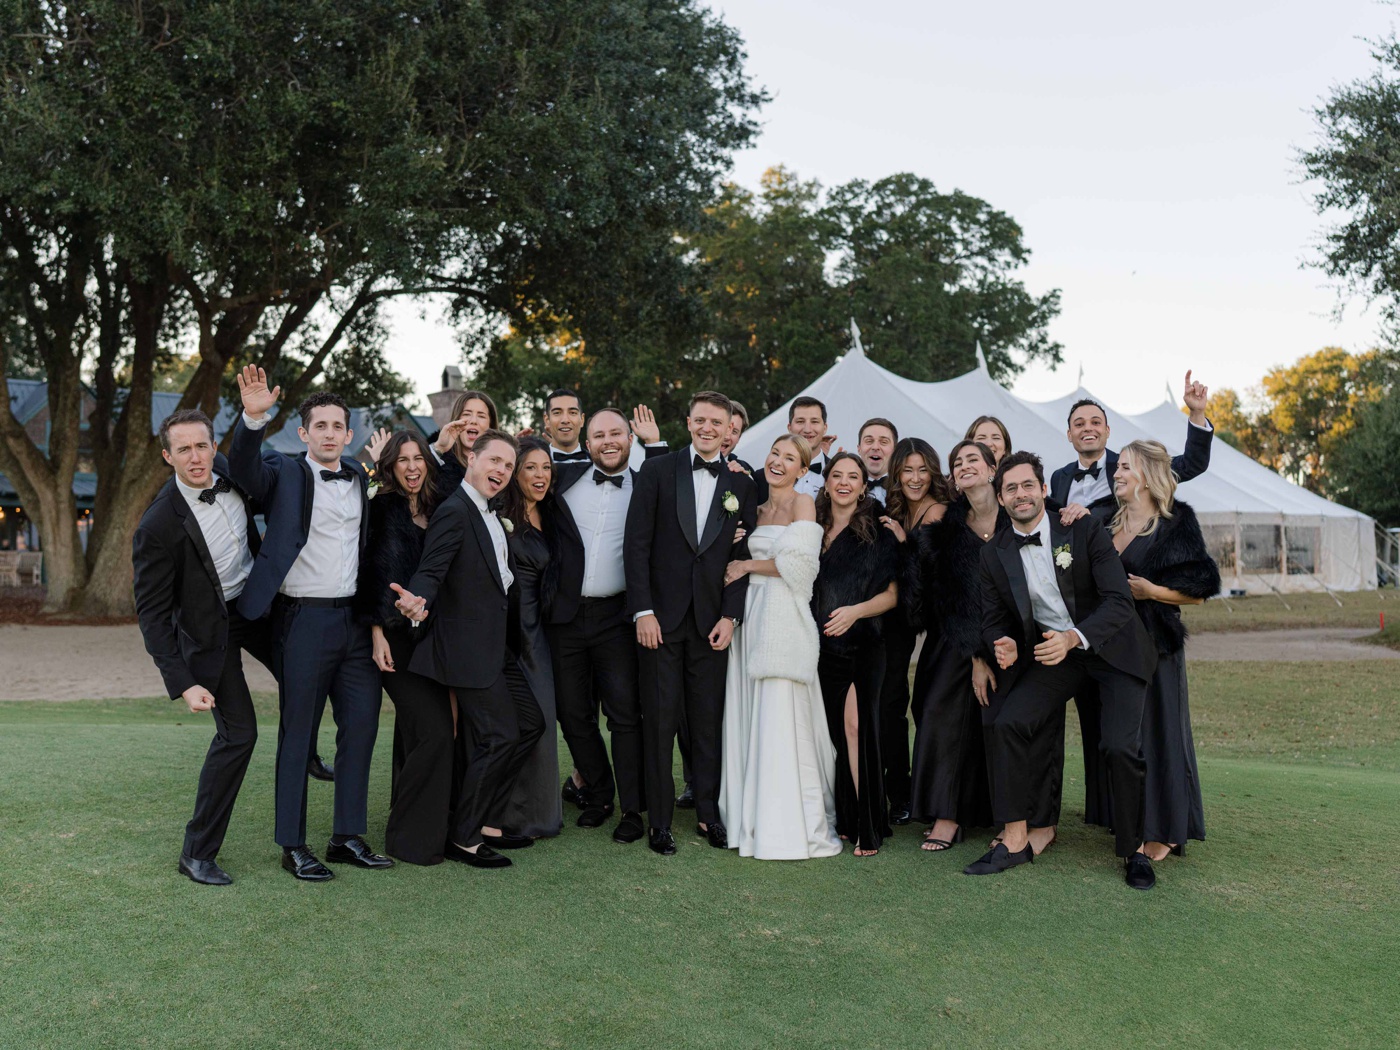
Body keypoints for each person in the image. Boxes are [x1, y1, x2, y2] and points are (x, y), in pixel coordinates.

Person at [964, 451, 1159, 889]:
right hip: (1058, 655)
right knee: (1009, 722)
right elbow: (994, 617)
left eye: (1027, 485)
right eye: (1011, 488)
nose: (1020, 495)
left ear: (1044, 489)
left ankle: (1135, 850)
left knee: (1118, 748)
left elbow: (1119, 601)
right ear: (1001, 496)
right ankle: (1014, 840)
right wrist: (1006, 641)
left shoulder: (1081, 527)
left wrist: (1074, 637)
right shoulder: (993, 553)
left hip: (1113, 649)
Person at [229, 366, 392, 881]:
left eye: (336, 426)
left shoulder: (360, 480)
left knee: (362, 725)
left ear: (349, 434)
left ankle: (346, 835)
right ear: (304, 433)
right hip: (301, 621)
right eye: (318, 425)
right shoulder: (284, 471)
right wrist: (253, 421)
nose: (327, 433)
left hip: (353, 621)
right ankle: (292, 844)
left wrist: (376, 622)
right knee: (298, 733)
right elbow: (243, 470)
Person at [392, 430, 546, 870]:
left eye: (507, 465)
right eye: (494, 460)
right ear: (472, 459)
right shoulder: (455, 511)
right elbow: (431, 570)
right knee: (500, 736)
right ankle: (464, 835)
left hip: (496, 647)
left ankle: (486, 821)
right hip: (465, 650)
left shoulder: (489, 511)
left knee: (530, 724)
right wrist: (416, 601)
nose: (501, 470)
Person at [133, 409, 271, 886]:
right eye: (184, 449)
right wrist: (184, 682)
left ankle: (310, 756)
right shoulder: (157, 526)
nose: (196, 457)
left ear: (215, 447)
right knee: (239, 735)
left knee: (313, 670)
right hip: (209, 633)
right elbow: (151, 616)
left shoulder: (233, 474)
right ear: (168, 456)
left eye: (202, 445)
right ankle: (196, 853)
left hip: (254, 608)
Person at [625, 390, 758, 855]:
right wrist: (642, 611)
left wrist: (730, 614)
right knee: (660, 722)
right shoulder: (658, 472)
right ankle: (659, 823)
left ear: (729, 430)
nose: (708, 429)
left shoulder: (742, 484)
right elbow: (636, 545)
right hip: (659, 621)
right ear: (688, 423)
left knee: (707, 723)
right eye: (700, 420)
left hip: (711, 623)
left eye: (716, 423)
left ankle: (708, 814)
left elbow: (743, 555)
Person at [549, 408, 668, 842]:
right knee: (572, 713)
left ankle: (632, 810)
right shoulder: (565, 482)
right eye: (599, 435)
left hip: (618, 617)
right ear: (587, 440)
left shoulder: (648, 484)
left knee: (624, 715)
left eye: (616, 432)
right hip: (563, 617)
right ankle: (598, 795)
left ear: (630, 437)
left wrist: (656, 445)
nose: (608, 441)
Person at [719, 434, 840, 860]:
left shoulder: (803, 505)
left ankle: (784, 822)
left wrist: (747, 563)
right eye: (775, 453)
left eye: (790, 458)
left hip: (782, 621)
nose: (779, 461)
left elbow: (803, 569)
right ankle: (745, 815)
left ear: (802, 471)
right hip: (750, 617)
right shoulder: (753, 508)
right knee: (750, 712)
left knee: (779, 713)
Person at [1109, 440, 1220, 859]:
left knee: (1160, 736)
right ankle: (1130, 821)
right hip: (1116, 650)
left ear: (1147, 475)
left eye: (1124, 467)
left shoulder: (1174, 523)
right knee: (1128, 740)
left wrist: (1152, 590)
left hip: (1157, 646)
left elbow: (1200, 592)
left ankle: (1166, 831)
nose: (1116, 473)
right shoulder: (1109, 523)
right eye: (1117, 467)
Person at [360, 430, 456, 865]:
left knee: (424, 733)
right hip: (394, 639)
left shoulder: (442, 508)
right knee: (434, 731)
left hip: (436, 639)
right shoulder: (379, 509)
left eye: (419, 459)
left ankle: (434, 828)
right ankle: (406, 836)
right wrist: (377, 632)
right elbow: (368, 574)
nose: (413, 467)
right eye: (403, 460)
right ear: (391, 467)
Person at [907, 440, 1002, 852]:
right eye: (957, 463)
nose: (964, 467)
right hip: (952, 641)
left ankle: (995, 812)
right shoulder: (945, 529)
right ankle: (944, 815)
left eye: (972, 461)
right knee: (937, 714)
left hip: (1005, 642)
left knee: (995, 723)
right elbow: (939, 595)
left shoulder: (1019, 515)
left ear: (992, 469)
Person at [812, 452, 899, 856]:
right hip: (820, 648)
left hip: (864, 643)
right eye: (837, 475)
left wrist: (855, 612)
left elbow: (892, 595)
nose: (844, 482)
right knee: (833, 733)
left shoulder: (875, 532)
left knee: (855, 727)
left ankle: (869, 825)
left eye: (853, 477)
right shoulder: (811, 527)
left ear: (864, 486)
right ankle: (848, 817)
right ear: (826, 482)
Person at [876, 437, 951, 826]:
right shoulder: (894, 508)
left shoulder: (938, 511)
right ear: (897, 473)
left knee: (920, 705)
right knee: (890, 703)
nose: (916, 478)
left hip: (934, 624)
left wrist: (904, 543)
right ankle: (896, 790)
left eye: (923, 470)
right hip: (890, 620)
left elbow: (933, 574)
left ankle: (916, 796)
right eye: (908, 470)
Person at [497, 438, 564, 839]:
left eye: (546, 468)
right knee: (509, 725)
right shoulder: (499, 514)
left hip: (540, 632)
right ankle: (505, 816)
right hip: (506, 632)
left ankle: (538, 814)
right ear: (514, 474)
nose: (540, 476)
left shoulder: (555, 514)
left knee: (542, 721)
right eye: (530, 468)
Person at [1051, 372, 1212, 520]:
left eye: (1095, 422)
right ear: (1069, 435)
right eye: (1079, 424)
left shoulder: (1134, 466)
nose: (1087, 428)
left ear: (1107, 431)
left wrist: (1197, 413)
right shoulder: (1059, 478)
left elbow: (1192, 464)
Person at [788, 396, 834, 499]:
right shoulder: (764, 476)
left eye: (814, 422)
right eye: (800, 421)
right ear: (789, 428)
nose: (807, 429)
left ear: (825, 428)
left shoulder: (837, 472)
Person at [856, 418, 899, 505]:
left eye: (883, 442)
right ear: (859, 448)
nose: (875, 447)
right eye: (869, 441)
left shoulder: (906, 487)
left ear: (895, 450)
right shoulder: (846, 486)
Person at [542, 389, 590, 463]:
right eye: (557, 413)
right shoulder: (530, 462)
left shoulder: (598, 464)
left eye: (573, 413)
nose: (565, 420)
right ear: (547, 420)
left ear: (582, 420)